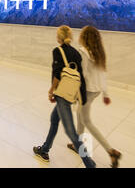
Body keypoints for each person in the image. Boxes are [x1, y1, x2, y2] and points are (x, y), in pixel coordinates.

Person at [33, 25, 96, 168]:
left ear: (59, 37)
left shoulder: (57, 51)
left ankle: (90, 164)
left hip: (62, 94)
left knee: (71, 133)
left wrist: (51, 90)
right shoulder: (76, 53)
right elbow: (80, 76)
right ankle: (44, 149)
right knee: (54, 120)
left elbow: (57, 74)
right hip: (71, 93)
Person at [65, 26, 122, 168]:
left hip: (86, 91)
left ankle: (111, 151)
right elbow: (103, 74)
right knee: (81, 116)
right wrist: (106, 93)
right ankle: (77, 144)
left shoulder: (83, 52)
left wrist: (73, 92)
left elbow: (81, 75)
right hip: (96, 90)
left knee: (86, 120)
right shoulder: (99, 52)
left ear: (84, 38)